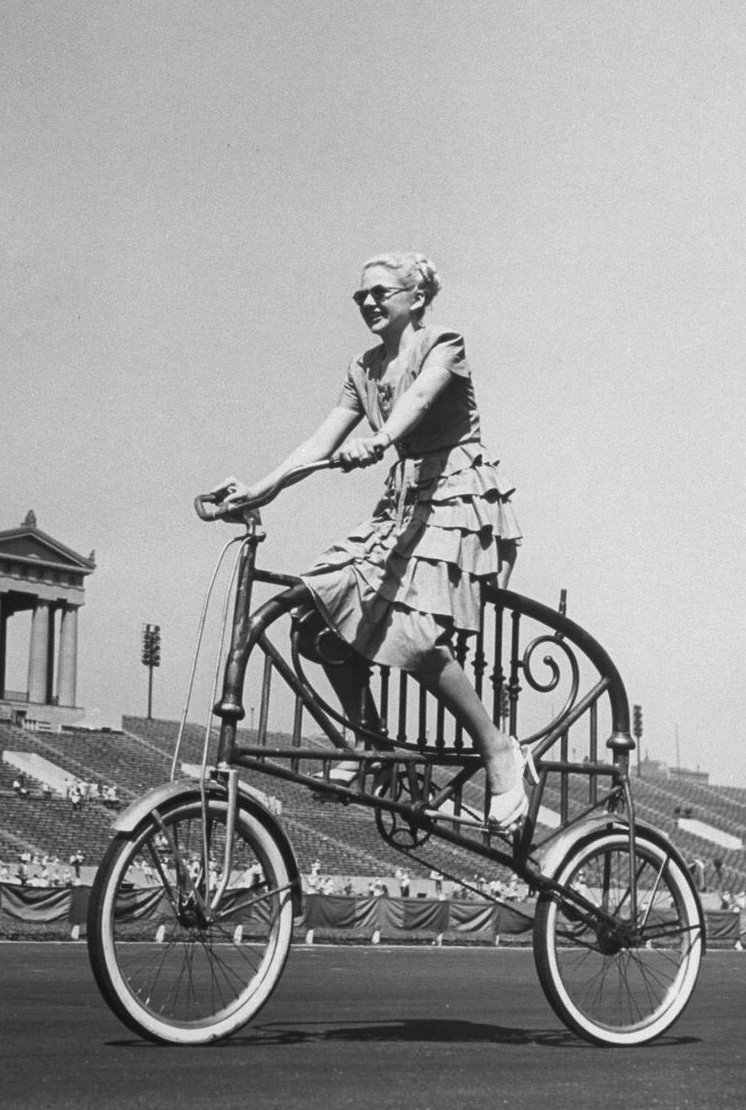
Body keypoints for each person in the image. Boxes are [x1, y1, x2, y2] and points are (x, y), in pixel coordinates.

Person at [220, 253, 529, 831]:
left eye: (380, 292)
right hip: (403, 502)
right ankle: (373, 748)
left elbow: (417, 402)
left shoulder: (443, 342)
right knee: (315, 621)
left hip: (456, 496)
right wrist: (259, 492)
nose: (367, 303)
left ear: (414, 297)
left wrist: (382, 439)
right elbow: (319, 441)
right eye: (360, 296)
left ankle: (498, 751)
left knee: (413, 638)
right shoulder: (363, 367)